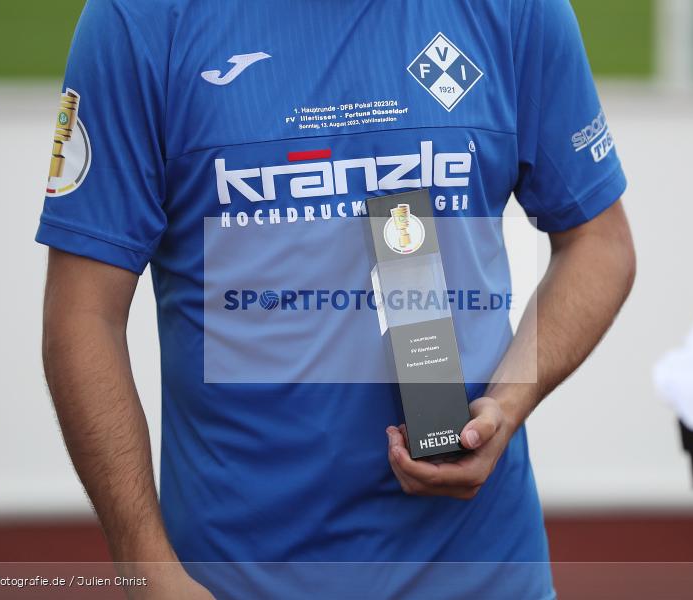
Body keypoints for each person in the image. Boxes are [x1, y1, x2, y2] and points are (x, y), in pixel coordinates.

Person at [37, 0, 635, 598]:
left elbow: (600, 245)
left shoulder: (514, 10)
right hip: (236, 580)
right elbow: (84, 314)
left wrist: (506, 404)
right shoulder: (140, 18)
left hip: (484, 573)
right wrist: (148, 571)